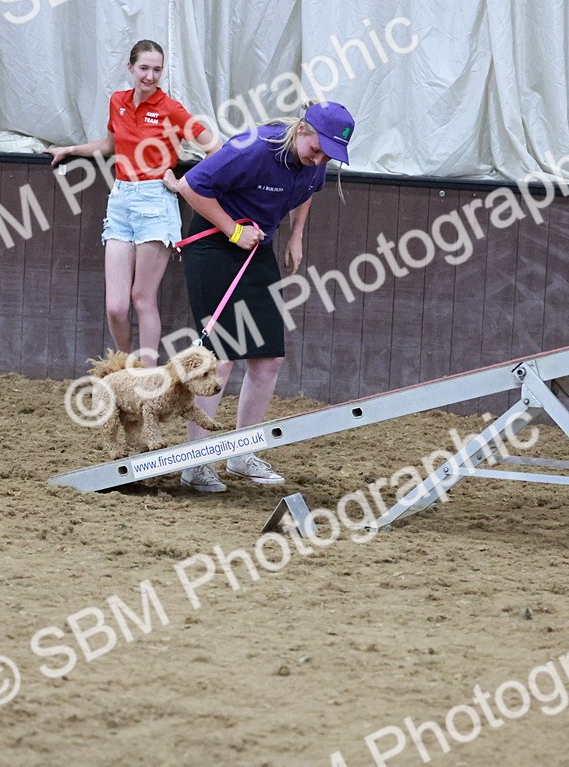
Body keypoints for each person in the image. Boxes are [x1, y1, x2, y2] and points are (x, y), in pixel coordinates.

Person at [173, 102, 355, 492]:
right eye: (316, 149)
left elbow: (309, 187)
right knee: (220, 358)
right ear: (302, 129)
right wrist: (233, 231)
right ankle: (195, 462)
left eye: (327, 155)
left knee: (269, 359)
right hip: (213, 244)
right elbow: (190, 186)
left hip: (256, 248)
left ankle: (241, 454)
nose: (319, 159)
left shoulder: (315, 160)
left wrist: (296, 234)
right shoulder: (254, 148)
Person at [47, 40, 220, 366]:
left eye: (157, 69)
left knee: (142, 298)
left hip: (156, 201)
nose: (150, 75)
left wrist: (184, 183)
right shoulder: (118, 102)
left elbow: (215, 148)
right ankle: (126, 368)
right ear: (130, 68)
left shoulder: (170, 109)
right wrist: (69, 151)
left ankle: (148, 376)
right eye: (144, 68)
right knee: (115, 305)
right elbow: (110, 145)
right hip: (122, 199)